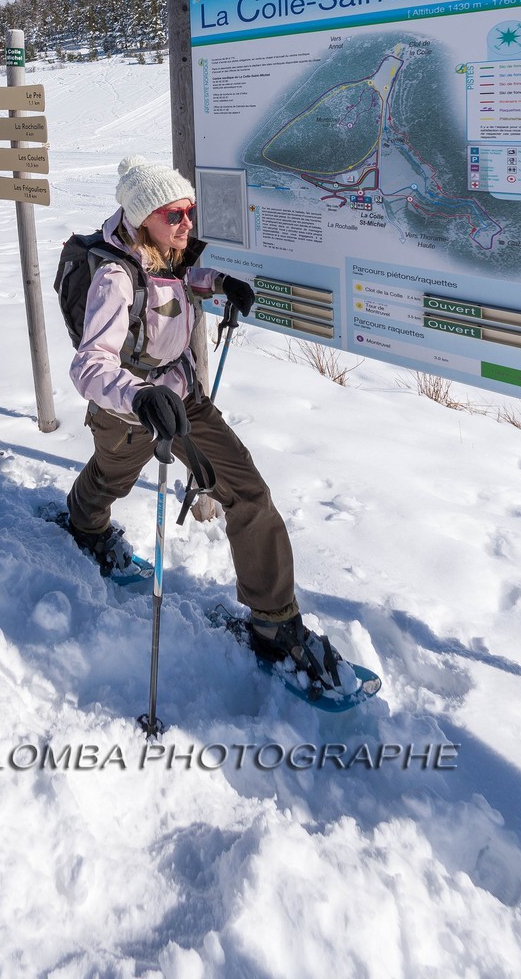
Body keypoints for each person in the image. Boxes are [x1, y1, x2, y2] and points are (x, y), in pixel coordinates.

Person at [64, 154, 342, 684]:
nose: (186, 222)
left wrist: (221, 283)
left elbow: (184, 277)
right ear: (143, 218)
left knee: (248, 491)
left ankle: (274, 623)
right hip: (131, 407)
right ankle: (83, 522)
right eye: (175, 215)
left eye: (189, 211)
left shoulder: (169, 252)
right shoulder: (114, 279)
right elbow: (90, 364)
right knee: (111, 477)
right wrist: (138, 396)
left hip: (185, 398)